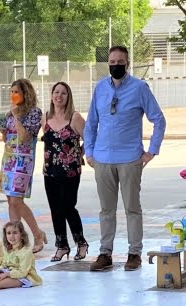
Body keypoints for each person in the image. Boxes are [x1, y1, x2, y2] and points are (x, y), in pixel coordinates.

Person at [84, 46, 166, 272]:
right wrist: (89, 153)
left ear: (128, 64)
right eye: (112, 61)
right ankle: (105, 253)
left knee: (132, 208)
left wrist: (152, 151)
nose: (116, 65)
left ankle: (134, 253)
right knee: (106, 210)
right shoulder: (100, 88)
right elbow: (91, 123)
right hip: (102, 159)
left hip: (130, 158)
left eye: (120, 61)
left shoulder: (140, 88)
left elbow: (158, 119)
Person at [0, 79, 47, 254]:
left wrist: (17, 117)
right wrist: (4, 127)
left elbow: (25, 136)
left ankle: (37, 234)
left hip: (23, 161)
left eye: (16, 92)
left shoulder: (34, 113)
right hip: (9, 160)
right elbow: (7, 138)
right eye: (11, 92)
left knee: (17, 200)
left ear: (26, 94)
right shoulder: (10, 112)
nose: (13, 95)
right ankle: (15, 242)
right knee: (10, 200)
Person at [42, 82, 88, 262]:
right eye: (56, 92)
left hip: (70, 171)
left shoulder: (74, 118)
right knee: (55, 209)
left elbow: (90, 139)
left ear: (68, 97)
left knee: (68, 206)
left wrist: (78, 154)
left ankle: (81, 242)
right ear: (52, 95)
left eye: (63, 93)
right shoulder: (45, 117)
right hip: (50, 170)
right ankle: (62, 245)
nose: (59, 96)